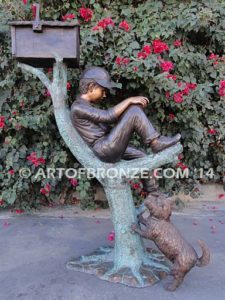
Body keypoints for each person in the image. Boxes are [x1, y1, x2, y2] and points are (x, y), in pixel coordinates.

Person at [70, 67, 181, 194]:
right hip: (105, 148)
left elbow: (109, 123)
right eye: (103, 90)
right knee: (134, 110)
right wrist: (129, 100)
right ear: (91, 86)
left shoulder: (85, 106)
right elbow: (108, 116)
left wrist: (124, 121)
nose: (104, 94)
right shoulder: (78, 107)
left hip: (108, 145)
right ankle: (155, 143)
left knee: (142, 158)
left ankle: (153, 193)